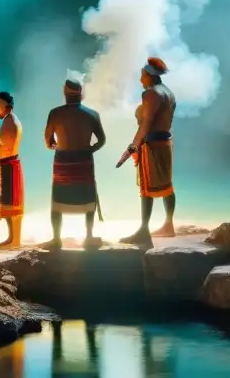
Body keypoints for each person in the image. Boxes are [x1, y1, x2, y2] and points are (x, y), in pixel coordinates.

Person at [116, 57, 177, 247]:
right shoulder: (168, 92)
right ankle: (168, 225)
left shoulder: (151, 94)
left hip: (152, 146)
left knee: (146, 189)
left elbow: (146, 123)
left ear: (150, 75)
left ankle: (144, 231)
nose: (140, 79)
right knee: (167, 184)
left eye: (142, 75)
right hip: (166, 142)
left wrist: (132, 147)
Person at [42, 78, 106, 250]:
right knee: (87, 200)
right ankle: (89, 236)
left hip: (62, 162)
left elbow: (48, 141)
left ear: (65, 92)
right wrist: (89, 150)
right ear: (81, 94)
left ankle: (56, 239)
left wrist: (54, 145)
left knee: (57, 201)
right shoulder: (92, 114)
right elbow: (102, 140)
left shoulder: (55, 113)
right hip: (84, 161)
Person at [0, 90, 25, 249]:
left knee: (11, 204)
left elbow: (8, 146)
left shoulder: (10, 122)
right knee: (8, 204)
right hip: (7, 164)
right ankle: (11, 238)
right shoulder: (10, 120)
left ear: (8, 107)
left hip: (9, 164)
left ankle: (14, 240)